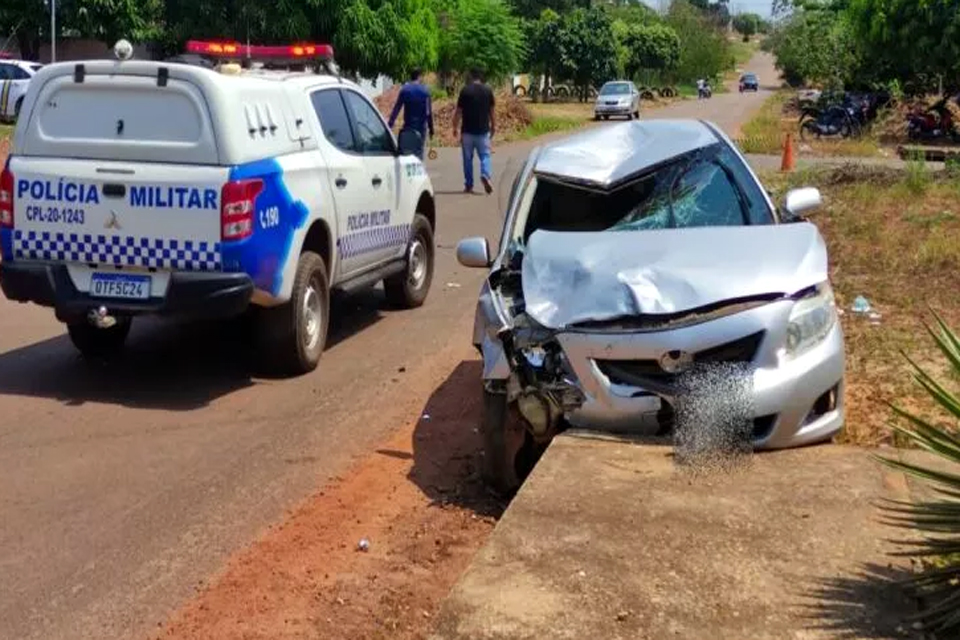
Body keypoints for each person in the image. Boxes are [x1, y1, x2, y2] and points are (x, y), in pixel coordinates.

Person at [453, 68, 496, 195]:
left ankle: (469, 185)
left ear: (471, 76)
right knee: (485, 155)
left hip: (467, 132)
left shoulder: (465, 90)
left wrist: (454, 127)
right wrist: (494, 126)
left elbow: (458, 112)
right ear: (480, 77)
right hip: (483, 131)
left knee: (467, 159)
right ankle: (485, 174)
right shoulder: (488, 90)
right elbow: (492, 112)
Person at [388, 68, 434, 161]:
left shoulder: (405, 90)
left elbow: (397, 109)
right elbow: (428, 113)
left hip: (408, 127)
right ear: (419, 76)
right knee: (419, 153)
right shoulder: (425, 91)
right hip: (421, 129)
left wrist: (389, 125)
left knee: (407, 153)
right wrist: (431, 129)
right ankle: (419, 170)